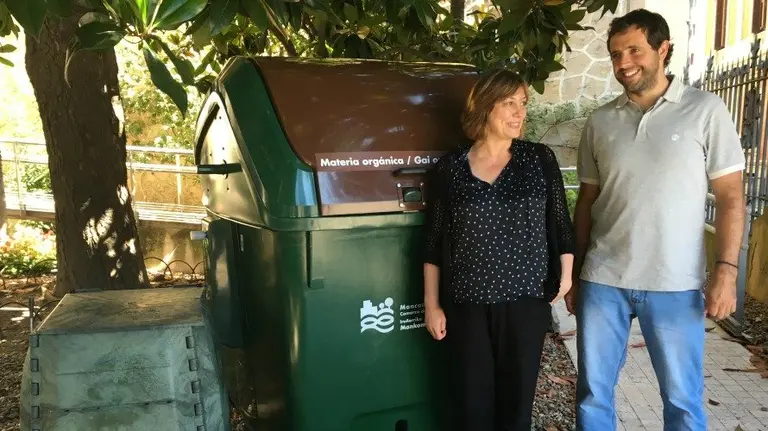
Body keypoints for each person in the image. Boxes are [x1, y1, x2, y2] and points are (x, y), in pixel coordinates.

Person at [565, 8, 746, 431]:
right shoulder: (601, 120)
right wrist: (574, 272)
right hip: (603, 278)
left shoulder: (706, 110)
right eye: (614, 54)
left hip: (674, 283)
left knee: (682, 401)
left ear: (663, 49)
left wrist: (725, 270)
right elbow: (587, 201)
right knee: (593, 396)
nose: (623, 63)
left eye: (634, 50)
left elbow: (731, 198)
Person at [422, 68, 575, 431]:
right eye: (510, 104)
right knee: (472, 407)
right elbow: (432, 240)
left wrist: (566, 277)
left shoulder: (538, 159)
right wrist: (432, 304)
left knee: (516, 408)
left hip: (525, 302)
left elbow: (560, 222)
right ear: (485, 107)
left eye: (523, 104)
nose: (520, 113)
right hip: (466, 306)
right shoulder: (450, 168)